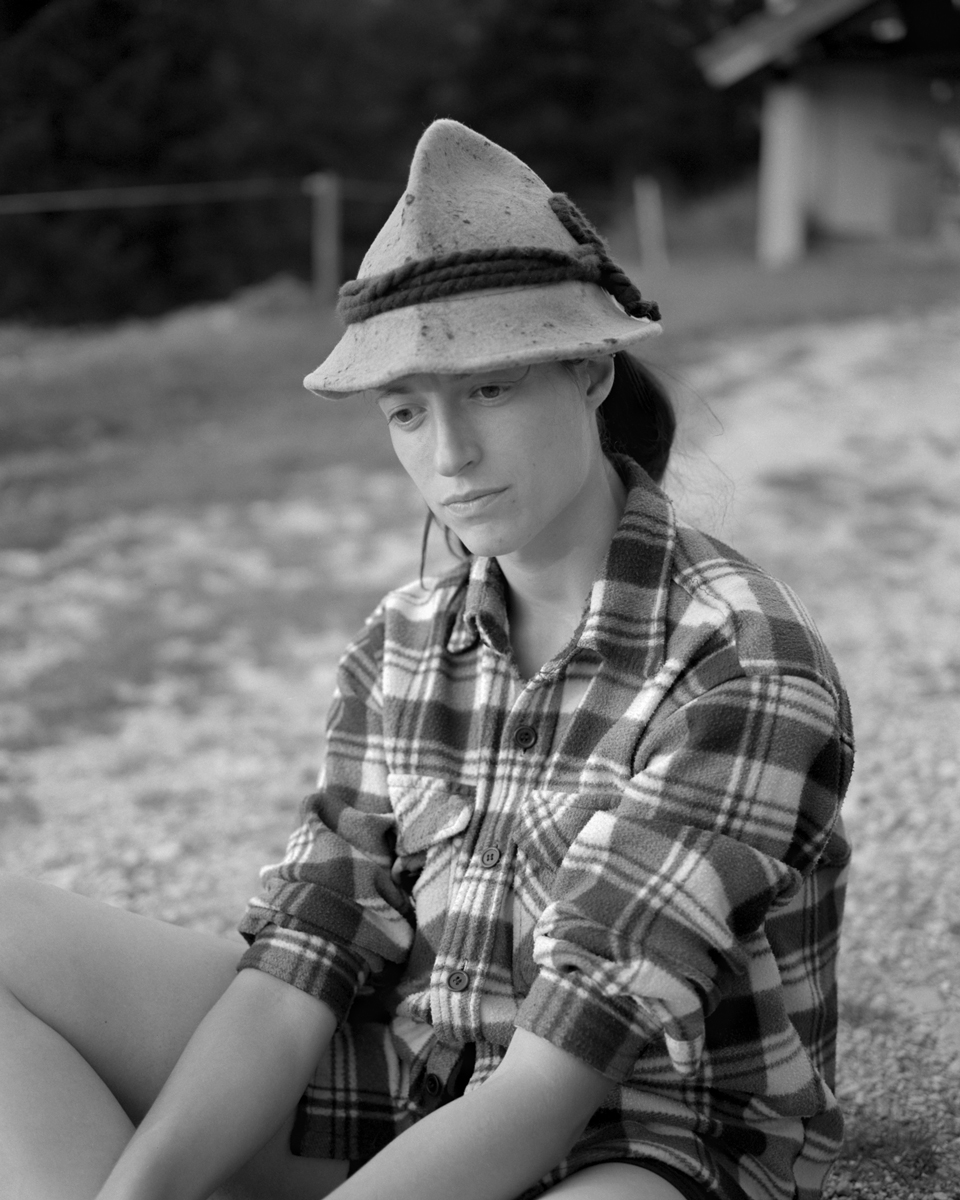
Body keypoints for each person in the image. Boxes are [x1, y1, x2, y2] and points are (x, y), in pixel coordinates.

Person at [0, 120, 853, 1200]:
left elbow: (556, 1080)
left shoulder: (739, 661)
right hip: (415, 1071)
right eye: (407, 411)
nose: (447, 456)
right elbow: (303, 960)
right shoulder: (401, 637)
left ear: (588, 372)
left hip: (645, 1130)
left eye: (488, 391)